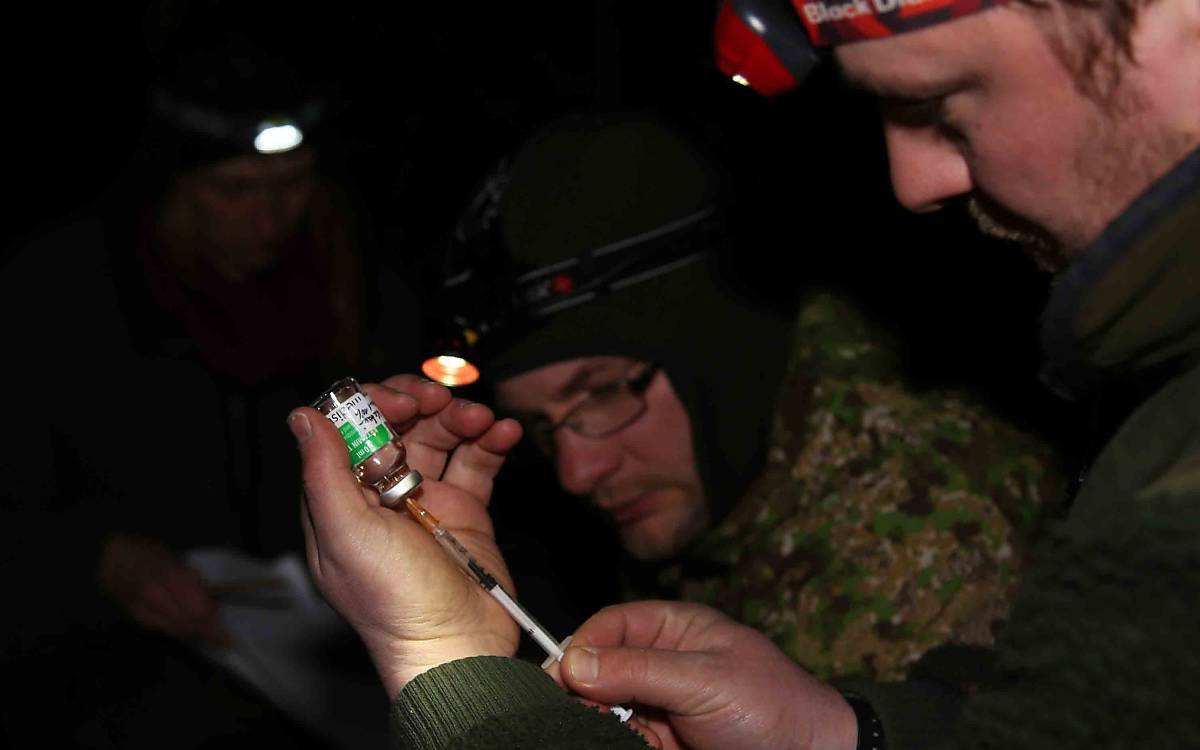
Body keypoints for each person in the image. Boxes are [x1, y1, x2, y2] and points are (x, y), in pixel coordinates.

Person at [292, 1, 1200, 748]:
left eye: (944, 98)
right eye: (543, 427)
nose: (913, 181)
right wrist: (842, 737)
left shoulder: (941, 526)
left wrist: (445, 659)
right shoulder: (719, 484)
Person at [432, 111, 1064, 682]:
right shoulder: (723, 492)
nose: (577, 472)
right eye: (543, 428)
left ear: (717, 355)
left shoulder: (931, 535)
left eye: (600, 393)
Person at [0, 4, 417, 748]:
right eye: (234, 190)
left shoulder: (369, 292)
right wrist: (97, 557)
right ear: (172, 188)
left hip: (333, 682)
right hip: (119, 687)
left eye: (292, 184)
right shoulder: (58, 296)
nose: (269, 218)